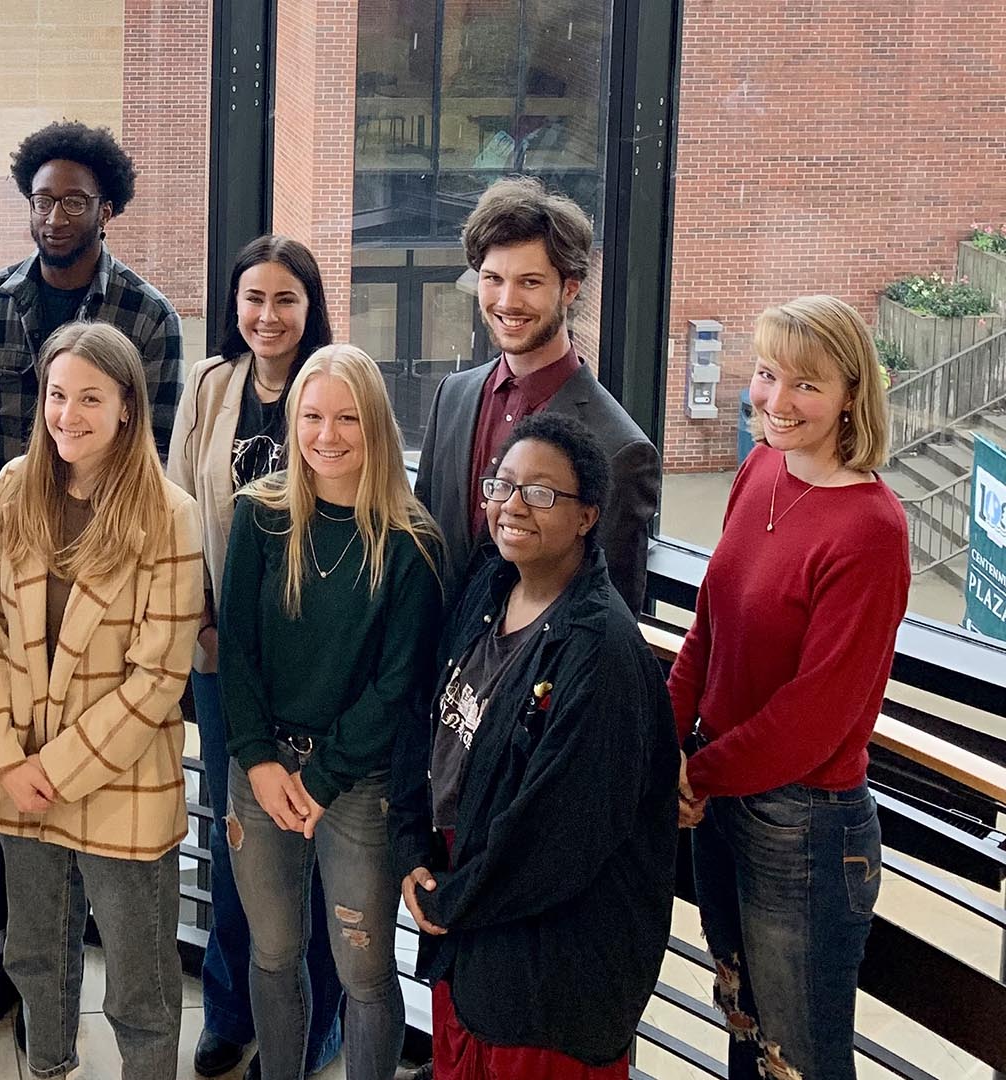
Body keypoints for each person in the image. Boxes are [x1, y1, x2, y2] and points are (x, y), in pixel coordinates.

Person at [0, 118, 185, 1035]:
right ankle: (21, 956)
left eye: (73, 200)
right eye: (41, 199)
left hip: (120, 581)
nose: (53, 215)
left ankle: (89, 959)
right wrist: (20, 510)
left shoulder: (149, 317)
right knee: (10, 774)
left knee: (98, 777)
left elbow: (149, 458)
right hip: (11, 571)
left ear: (107, 207)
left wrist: (89, 536)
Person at [391, 412, 676, 1080]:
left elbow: (556, 838)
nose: (513, 505)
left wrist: (447, 902)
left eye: (541, 493)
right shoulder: (489, 587)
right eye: (503, 484)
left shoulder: (601, 655)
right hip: (469, 922)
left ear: (588, 517)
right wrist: (412, 852)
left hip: (548, 970)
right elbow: (427, 721)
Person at [670, 295, 909, 1080]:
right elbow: (709, 627)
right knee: (743, 1023)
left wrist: (695, 774)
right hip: (721, 796)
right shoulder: (759, 466)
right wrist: (667, 745)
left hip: (804, 826)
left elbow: (814, 717)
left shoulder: (871, 530)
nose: (776, 400)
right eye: (769, 374)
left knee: (795, 1060)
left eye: (806, 384)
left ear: (850, 396)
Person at [0, 321, 204, 1078]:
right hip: (17, 773)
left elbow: (158, 678)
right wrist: (8, 756)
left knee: (141, 984)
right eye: (57, 395)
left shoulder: (171, 515)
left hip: (120, 781)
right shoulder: (12, 488)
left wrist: (53, 771)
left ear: (128, 407)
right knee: (34, 956)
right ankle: (50, 1066)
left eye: (90, 398)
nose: (68, 414)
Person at [218, 345, 445, 1080]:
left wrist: (322, 781)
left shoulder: (412, 542)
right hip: (261, 771)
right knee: (274, 954)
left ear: (376, 424)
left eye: (348, 417)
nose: (328, 435)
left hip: (360, 783)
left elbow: (397, 685)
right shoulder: (258, 517)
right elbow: (238, 648)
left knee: (365, 972)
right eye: (312, 416)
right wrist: (257, 758)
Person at [166, 235, 344, 1079]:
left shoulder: (338, 388)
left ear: (311, 309)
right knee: (235, 835)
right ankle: (231, 1010)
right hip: (221, 655)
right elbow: (176, 504)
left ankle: (316, 1017)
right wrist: (197, 624)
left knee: (312, 837)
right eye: (253, 300)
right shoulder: (210, 385)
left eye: (286, 301)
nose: (267, 317)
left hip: (316, 662)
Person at [414, 176, 659, 609]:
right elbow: (425, 551)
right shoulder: (452, 396)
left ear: (569, 288)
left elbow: (610, 619)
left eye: (529, 282)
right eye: (493, 278)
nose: (507, 301)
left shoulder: (621, 449)